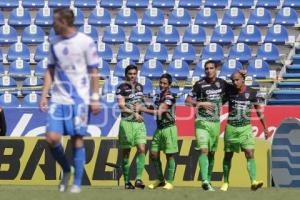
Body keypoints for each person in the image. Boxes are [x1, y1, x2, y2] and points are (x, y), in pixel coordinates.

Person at [39, 8, 100, 193]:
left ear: (64, 22)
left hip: (79, 100)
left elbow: (94, 72)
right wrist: (44, 94)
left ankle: (77, 183)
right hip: (58, 99)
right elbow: (50, 69)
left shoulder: (85, 42)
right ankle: (67, 170)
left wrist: (95, 98)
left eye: (55, 21)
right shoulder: (54, 42)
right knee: (51, 138)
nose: (52, 24)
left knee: (77, 140)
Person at [220, 71, 269, 191]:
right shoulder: (230, 91)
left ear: (243, 79)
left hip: (246, 128)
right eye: (233, 81)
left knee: (250, 153)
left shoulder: (252, 92)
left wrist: (265, 127)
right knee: (228, 155)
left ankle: (253, 181)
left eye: (237, 80)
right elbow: (219, 103)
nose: (235, 82)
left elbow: (258, 111)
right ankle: (226, 182)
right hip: (231, 128)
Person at [185, 60, 229, 191]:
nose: (209, 70)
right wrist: (200, 104)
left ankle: (208, 181)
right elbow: (187, 101)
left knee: (211, 153)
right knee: (203, 150)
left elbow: (233, 92)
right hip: (201, 122)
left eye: (211, 68)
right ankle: (204, 180)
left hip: (215, 123)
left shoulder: (222, 83)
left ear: (216, 69)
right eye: (206, 69)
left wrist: (243, 76)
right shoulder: (199, 84)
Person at [134, 73, 178, 190]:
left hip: (169, 128)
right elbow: (155, 109)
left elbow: (159, 112)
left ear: (169, 85)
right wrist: (147, 105)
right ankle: (160, 179)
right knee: (153, 154)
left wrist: (141, 108)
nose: (162, 85)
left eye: (164, 83)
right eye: (160, 82)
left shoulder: (170, 97)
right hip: (159, 129)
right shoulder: (158, 96)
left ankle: (170, 181)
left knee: (169, 156)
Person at [116, 65, 147, 189]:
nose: (132, 76)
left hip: (139, 123)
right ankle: (127, 181)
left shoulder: (140, 87)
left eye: (134, 73)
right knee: (126, 152)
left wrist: (147, 106)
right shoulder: (121, 88)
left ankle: (138, 179)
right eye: (130, 74)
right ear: (126, 75)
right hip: (127, 122)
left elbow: (142, 101)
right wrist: (134, 113)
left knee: (142, 149)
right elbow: (121, 106)